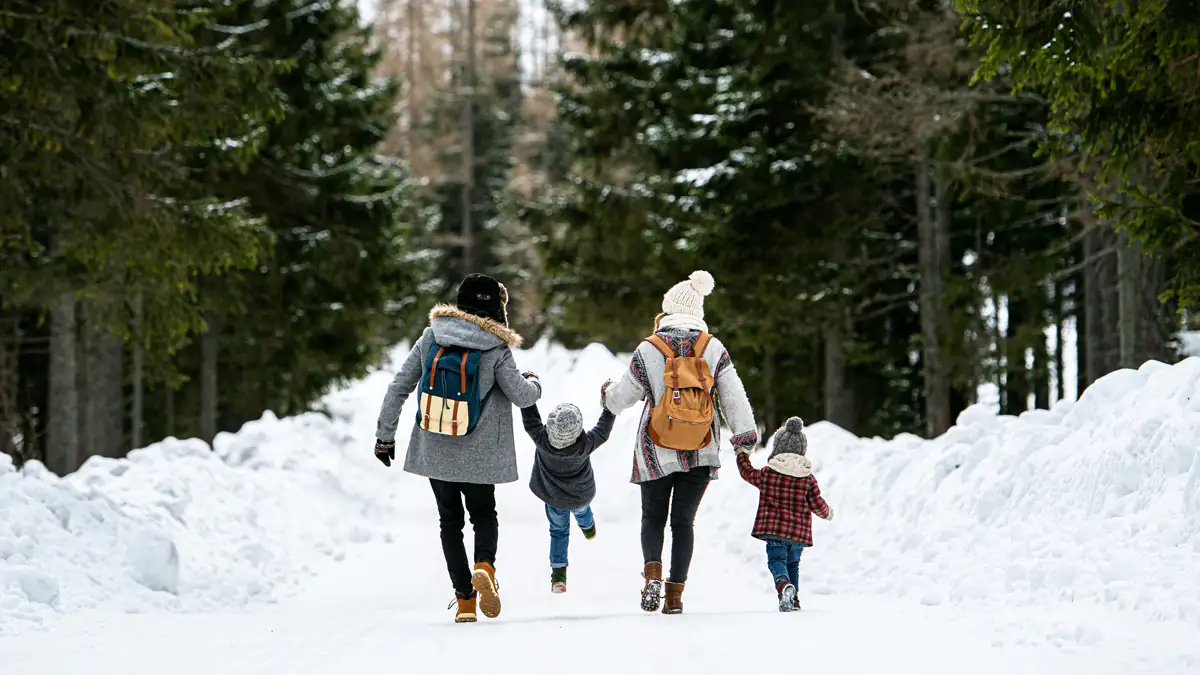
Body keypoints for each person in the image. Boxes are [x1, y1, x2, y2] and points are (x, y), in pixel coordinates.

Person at [373, 273, 542, 624]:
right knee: (483, 515)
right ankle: (484, 567)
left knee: (449, 521)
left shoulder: (432, 336)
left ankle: (464, 601)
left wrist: (385, 436)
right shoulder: (496, 347)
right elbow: (522, 396)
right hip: (481, 454)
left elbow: (398, 387)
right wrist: (534, 382)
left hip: (436, 447)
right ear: (496, 307)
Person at [604, 270, 758, 614]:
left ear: (668, 310)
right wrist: (744, 440)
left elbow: (622, 397)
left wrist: (606, 395)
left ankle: (652, 576)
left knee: (653, 518)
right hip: (702, 447)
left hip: (655, 448)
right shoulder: (712, 348)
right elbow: (734, 397)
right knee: (683, 522)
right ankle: (674, 597)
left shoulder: (649, 348)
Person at [520, 381, 616, 593]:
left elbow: (530, 416)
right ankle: (588, 527)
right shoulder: (586, 444)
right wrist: (609, 406)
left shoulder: (541, 439)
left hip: (554, 499)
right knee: (582, 511)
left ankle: (558, 576)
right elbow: (603, 430)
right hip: (581, 496)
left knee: (558, 531)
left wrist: (527, 385)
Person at [734, 417, 833, 612]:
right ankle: (793, 599)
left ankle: (783, 585)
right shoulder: (808, 479)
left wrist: (741, 454)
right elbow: (816, 503)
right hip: (798, 534)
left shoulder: (768, 473)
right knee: (793, 564)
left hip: (775, 531)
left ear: (777, 448)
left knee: (777, 562)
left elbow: (747, 472)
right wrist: (827, 512)